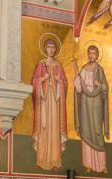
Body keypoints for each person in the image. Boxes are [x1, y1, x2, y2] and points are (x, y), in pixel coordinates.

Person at [31, 38, 68, 170]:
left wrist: (59, 82)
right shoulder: (40, 64)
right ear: (45, 49)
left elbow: (65, 84)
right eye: (49, 47)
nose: (51, 50)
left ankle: (54, 161)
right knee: (43, 128)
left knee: (54, 127)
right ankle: (41, 160)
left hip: (55, 101)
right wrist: (43, 79)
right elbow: (34, 82)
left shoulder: (59, 65)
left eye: (53, 47)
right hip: (43, 100)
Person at [74, 45, 109, 174]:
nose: (92, 55)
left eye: (94, 53)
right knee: (87, 129)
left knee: (97, 130)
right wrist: (77, 78)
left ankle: (102, 165)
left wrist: (99, 84)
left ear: (97, 55)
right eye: (90, 53)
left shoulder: (100, 70)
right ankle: (88, 163)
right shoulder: (83, 69)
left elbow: (105, 88)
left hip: (96, 104)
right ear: (88, 54)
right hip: (85, 103)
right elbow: (78, 88)